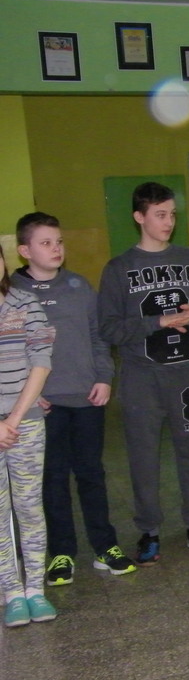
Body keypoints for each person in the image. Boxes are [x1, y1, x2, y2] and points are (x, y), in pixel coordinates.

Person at [97, 181, 189, 564]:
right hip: (141, 378)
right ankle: (148, 530)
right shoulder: (119, 268)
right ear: (139, 217)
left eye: (172, 215)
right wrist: (158, 322)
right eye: (160, 215)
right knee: (144, 457)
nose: (169, 222)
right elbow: (109, 328)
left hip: (186, 375)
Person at [12, 213, 136, 587]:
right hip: (42, 405)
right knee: (52, 477)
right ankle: (61, 552)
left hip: (85, 398)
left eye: (59, 241)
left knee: (91, 473)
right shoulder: (13, 293)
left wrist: (103, 377)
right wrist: (29, 396)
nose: (56, 249)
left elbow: (99, 338)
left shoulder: (79, 287)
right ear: (24, 251)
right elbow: (11, 353)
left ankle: (105, 545)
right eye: (46, 243)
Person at [0, 240, 57, 627]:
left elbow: (41, 362)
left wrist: (15, 419)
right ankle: (11, 593)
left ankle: (35, 589)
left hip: (26, 422)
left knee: (29, 506)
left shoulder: (25, 304)